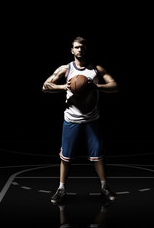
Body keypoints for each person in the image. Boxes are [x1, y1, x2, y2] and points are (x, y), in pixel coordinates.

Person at [42, 37, 119, 204]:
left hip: (92, 119)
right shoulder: (66, 69)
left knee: (98, 155)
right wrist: (64, 87)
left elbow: (115, 85)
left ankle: (104, 187)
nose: (79, 50)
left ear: (86, 49)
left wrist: (97, 86)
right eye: (76, 47)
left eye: (82, 47)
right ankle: (61, 189)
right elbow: (45, 86)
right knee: (66, 157)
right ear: (72, 50)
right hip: (71, 119)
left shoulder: (96, 69)